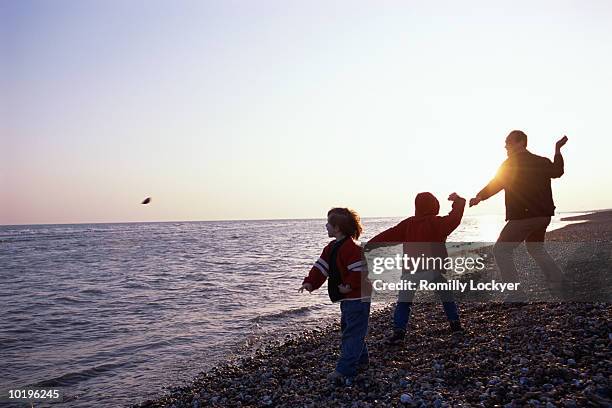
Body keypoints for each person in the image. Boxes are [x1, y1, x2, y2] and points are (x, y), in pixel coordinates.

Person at [469, 130, 568, 299]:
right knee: (535, 248)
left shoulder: (510, 164)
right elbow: (557, 171)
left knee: (501, 250)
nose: (506, 146)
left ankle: (516, 295)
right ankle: (560, 282)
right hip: (543, 216)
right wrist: (557, 149)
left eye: (509, 142)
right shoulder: (541, 161)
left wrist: (479, 196)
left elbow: (496, 183)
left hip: (525, 217)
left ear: (521, 142)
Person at [367, 192, 466, 344]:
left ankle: (399, 333)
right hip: (432, 269)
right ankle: (456, 326)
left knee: (404, 303)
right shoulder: (436, 222)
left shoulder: (408, 224)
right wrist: (458, 201)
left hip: (411, 270)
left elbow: (388, 235)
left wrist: (370, 245)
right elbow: (454, 218)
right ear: (435, 206)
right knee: (446, 296)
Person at [299, 207, 372, 384]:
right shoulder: (331, 247)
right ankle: (361, 360)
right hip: (347, 298)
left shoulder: (352, 248)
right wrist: (310, 282)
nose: (326, 226)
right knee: (350, 329)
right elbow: (321, 268)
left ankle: (345, 369)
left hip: (358, 297)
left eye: (328, 224)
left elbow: (360, 271)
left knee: (352, 332)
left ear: (337, 227)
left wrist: (349, 285)